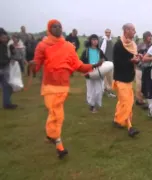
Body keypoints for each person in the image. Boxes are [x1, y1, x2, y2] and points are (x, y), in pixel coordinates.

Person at [31, 19, 102, 159]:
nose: (57, 28)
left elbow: (79, 66)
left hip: (63, 87)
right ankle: (59, 146)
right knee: (57, 115)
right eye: (54, 26)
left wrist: (94, 65)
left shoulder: (69, 47)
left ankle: (51, 136)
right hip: (49, 86)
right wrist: (32, 65)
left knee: (55, 115)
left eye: (59, 26)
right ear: (49, 29)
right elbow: (36, 68)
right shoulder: (42, 46)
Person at [112, 23, 140, 137]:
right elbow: (117, 63)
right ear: (126, 30)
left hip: (129, 77)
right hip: (120, 78)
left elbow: (133, 58)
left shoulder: (133, 45)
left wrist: (137, 59)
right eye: (133, 30)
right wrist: (131, 62)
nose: (135, 32)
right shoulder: (118, 45)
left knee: (122, 102)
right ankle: (130, 127)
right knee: (127, 102)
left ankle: (117, 120)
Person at [81, 34, 106, 113]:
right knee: (91, 89)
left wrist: (103, 62)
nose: (95, 41)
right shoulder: (86, 51)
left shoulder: (100, 51)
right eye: (93, 40)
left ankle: (95, 103)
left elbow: (104, 59)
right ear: (90, 41)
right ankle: (92, 106)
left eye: (96, 40)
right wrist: (84, 71)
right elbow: (81, 62)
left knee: (100, 89)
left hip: (99, 71)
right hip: (90, 71)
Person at [0, 28, 17, 109]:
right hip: (2, 68)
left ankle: (7, 103)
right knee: (7, 87)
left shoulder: (7, 45)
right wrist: (9, 60)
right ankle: (6, 103)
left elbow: (14, 53)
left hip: (5, 69)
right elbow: (2, 59)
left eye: (5, 37)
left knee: (8, 87)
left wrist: (12, 49)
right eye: (3, 37)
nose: (5, 39)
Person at [135, 31, 152, 109]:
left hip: (148, 68)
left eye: (151, 36)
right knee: (139, 84)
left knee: (147, 84)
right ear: (145, 37)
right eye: (149, 36)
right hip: (139, 67)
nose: (150, 38)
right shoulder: (139, 46)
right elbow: (135, 56)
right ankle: (139, 100)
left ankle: (145, 97)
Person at [100, 28, 116, 98]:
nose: (108, 34)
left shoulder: (110, 41)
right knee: (106, 77)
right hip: (105, 62)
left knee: (109, 78)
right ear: (105, 33)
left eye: (109, 32)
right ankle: (106, 91)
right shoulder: (104, 40)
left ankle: (106, 90)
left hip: (110, 61)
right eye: (107, 32)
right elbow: (102, 51)